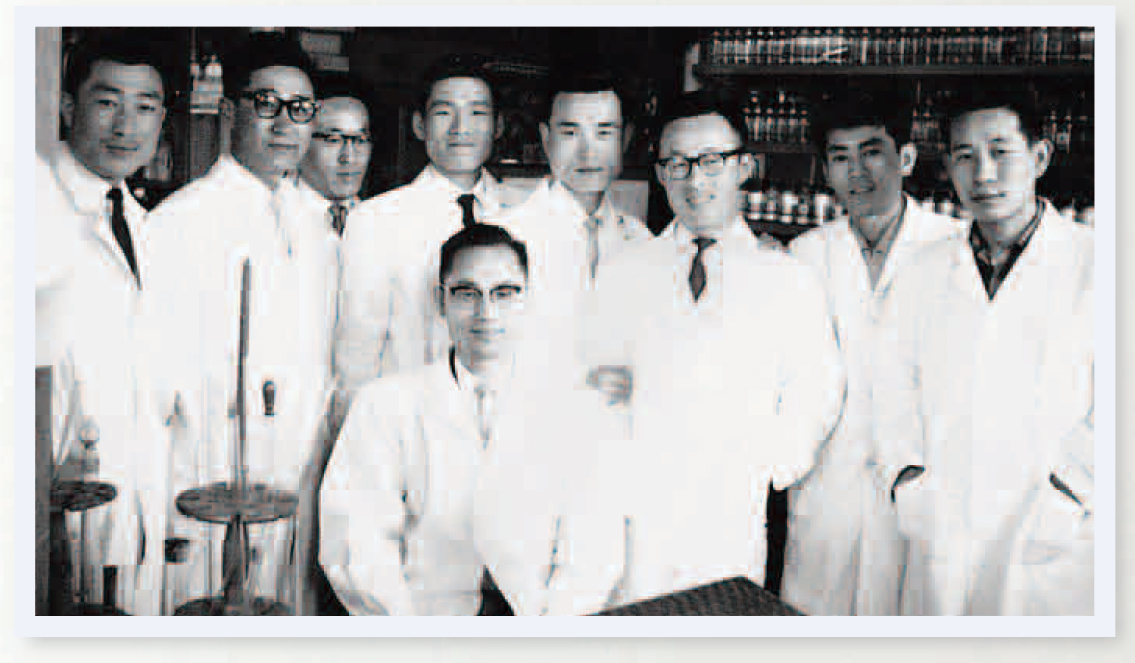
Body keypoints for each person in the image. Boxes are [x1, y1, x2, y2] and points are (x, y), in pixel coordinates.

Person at [587, 90, 846, 604]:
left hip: (729, 515)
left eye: (711, 162)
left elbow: (817, 390)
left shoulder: (786, 278)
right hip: (634, 515)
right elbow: (593, 382)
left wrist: (765, 465)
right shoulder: (623, 272)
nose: (695, 181)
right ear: (660, 174)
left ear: (744, 167)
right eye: (677, 164)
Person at [320, 223, 627, 616]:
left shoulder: (576, 409)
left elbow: (594, 549)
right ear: (440, 301)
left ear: (528, 299)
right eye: (467, 293)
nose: (486, 313)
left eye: (504, 293)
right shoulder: (384, 406)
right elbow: (357, 542)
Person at [875, 86, 1094, 616]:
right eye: (965, 156)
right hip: (942, 525)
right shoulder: (922, 270)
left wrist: (1072, 492)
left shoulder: (1098, 266)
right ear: (948, 167)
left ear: (1039, 157)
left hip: (1056, 533)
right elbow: (891, 387)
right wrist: (907, 480)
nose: (984, 174)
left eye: (1000, 152)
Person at [145, 32, 335, 614]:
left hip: (295, 453)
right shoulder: (181, 220)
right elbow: (158, 378)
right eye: (266, 104)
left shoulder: (315, 223)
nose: (285, 123)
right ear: (230, 111)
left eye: (300, 109)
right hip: (210, 455)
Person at [780, 85, 962, 616]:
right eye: (840, 157)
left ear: (906, 158)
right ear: (825, 170)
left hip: (918, 489)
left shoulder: (954, 247)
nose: (856, 172)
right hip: (826, 490)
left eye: (871, 152)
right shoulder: (803, 256)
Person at [35, 29, 170, 615]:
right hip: (50, 499)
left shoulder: (146, 226)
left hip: (136, 497)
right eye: (107, 102)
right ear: (68, 107)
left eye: (145, 107)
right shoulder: (30, 210)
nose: (126, 126)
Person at [337, 54, 525, 400]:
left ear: (498, 126)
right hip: (410, 416)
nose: (460, 128)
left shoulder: (525, 215)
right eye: (443, 112)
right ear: (419, 125)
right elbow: (357, 353)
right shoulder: (376, 220)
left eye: (477, 113)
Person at [496, 65, 652, 389]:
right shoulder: (505, 239)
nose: (587, 151)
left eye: (604, 133)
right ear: (545, 138)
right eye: (570, 133)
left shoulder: (642, 242)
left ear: (625, 140)